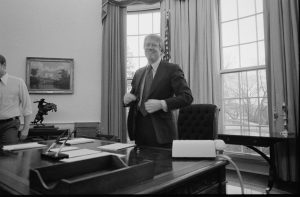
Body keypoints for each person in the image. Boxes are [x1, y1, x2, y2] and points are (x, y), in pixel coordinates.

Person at [123, 34, 193, 148]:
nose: (149, 47)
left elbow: (187, 97)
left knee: (162, 166)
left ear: (161, 50)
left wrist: (162, 104)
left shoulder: (172, 69)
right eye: (147, 45)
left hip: (161, 133)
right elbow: (135, 97)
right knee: (140, 165)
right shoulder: (138, 73)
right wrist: (127, 99)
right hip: (139, 130)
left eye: (153, 45)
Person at [0, 54, 32, 146]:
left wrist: (26, 129)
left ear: (4, 65)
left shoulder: (18, 82)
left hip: (10, 125)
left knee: (9, 155)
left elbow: (27, 106)